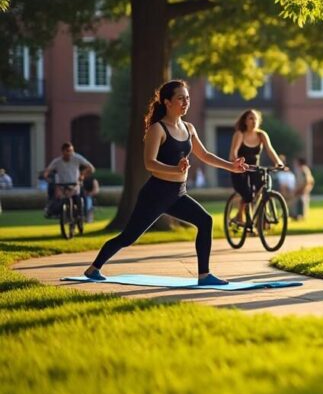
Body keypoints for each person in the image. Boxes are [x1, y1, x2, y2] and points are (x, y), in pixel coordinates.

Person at [83, 80, 246, 284]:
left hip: (178, 194)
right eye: (180, 98)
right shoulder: (157, 129)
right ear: (167, 102)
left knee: (206, 221)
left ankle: (204, 275)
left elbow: (204, 155)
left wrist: (232, 166)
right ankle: (93, 268)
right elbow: (149, 163)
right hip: (156, 194)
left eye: (187, 98)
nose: (186, 102)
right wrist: (175, 168)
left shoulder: (189, 127)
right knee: (128, 237)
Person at [228, 109, 285, 225]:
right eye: (251, 118)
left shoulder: (261, 135)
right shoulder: (240, 134)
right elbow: (233, 152)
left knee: (262, 186)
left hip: (255, 169)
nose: (254, 121)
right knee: (247, 194)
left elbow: (270, 150)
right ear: (245, 121)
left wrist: (279, 163)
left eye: (256, 118)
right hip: (240, 169)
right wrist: (236, 162)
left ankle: (260, 215)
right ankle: (239, 216)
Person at [42, 143, 94, 218]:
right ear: (63, 151)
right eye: (68, 151)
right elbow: (47, 171)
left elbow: (91, 168)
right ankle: (53, 212)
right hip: (62, 186)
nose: (70, 153)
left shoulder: (77, 158)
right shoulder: (57, 162)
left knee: (79, 200)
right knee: (56, 199)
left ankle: (81, 216)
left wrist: (82, 175)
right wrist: (46, 177)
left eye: (72, 151)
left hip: (75, 185)